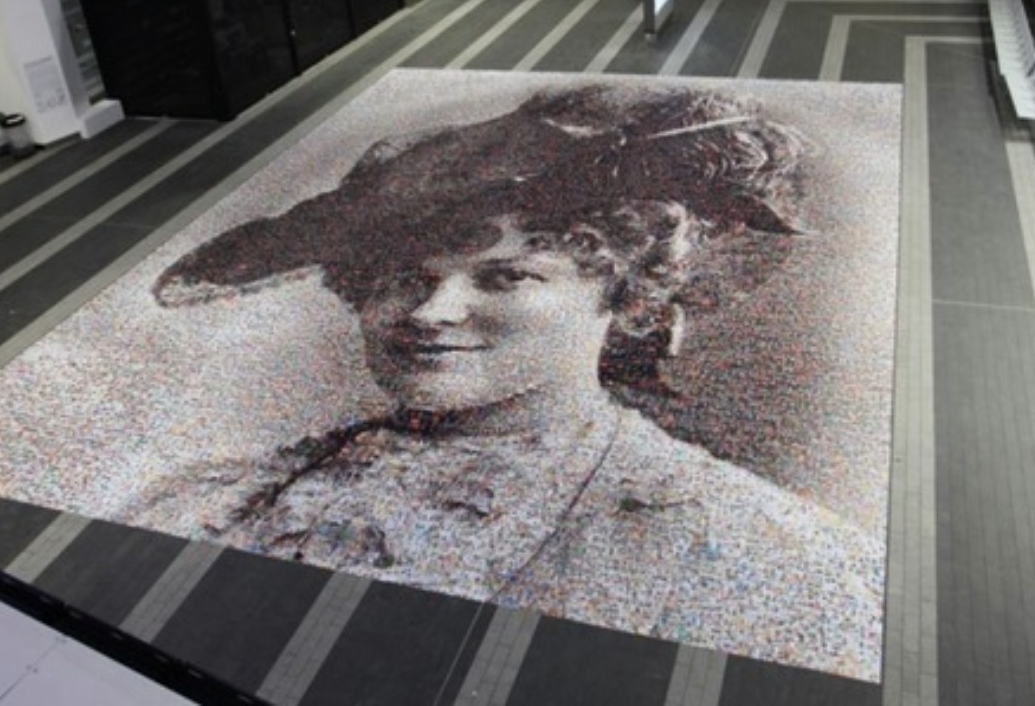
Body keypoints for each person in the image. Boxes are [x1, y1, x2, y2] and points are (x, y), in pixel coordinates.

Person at [127, 83, 883, 680]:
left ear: (625, 295)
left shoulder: (744, 541)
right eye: (403, 278)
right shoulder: (226, 497)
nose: (430, 312)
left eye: (507, 276)